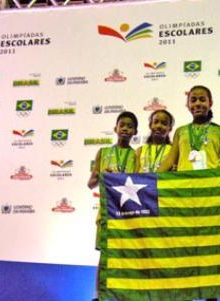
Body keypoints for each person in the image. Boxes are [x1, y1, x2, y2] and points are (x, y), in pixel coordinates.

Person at [157, 85, 220, 301]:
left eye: (202, 99)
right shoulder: (180, 131)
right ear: (188, 104)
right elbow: (168, 163)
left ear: (210, 103)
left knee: (212, 250)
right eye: (193, 100)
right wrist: (141, 179)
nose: (198, 103)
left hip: (211, 200)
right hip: (183, 199)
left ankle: (211, 296)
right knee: (184, 249)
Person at [87, 111, 139, 301]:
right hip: (107, 211)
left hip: (127, 213)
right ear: (115, 128)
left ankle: (124, 295)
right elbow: (90, 183)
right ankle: (99, 295)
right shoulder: (103, 152)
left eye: (130, 126)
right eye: (122, 125)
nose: (125, 129)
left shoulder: (137, 155)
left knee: (125, 255)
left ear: (135, 131)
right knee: (105, 255)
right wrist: (103, 175)